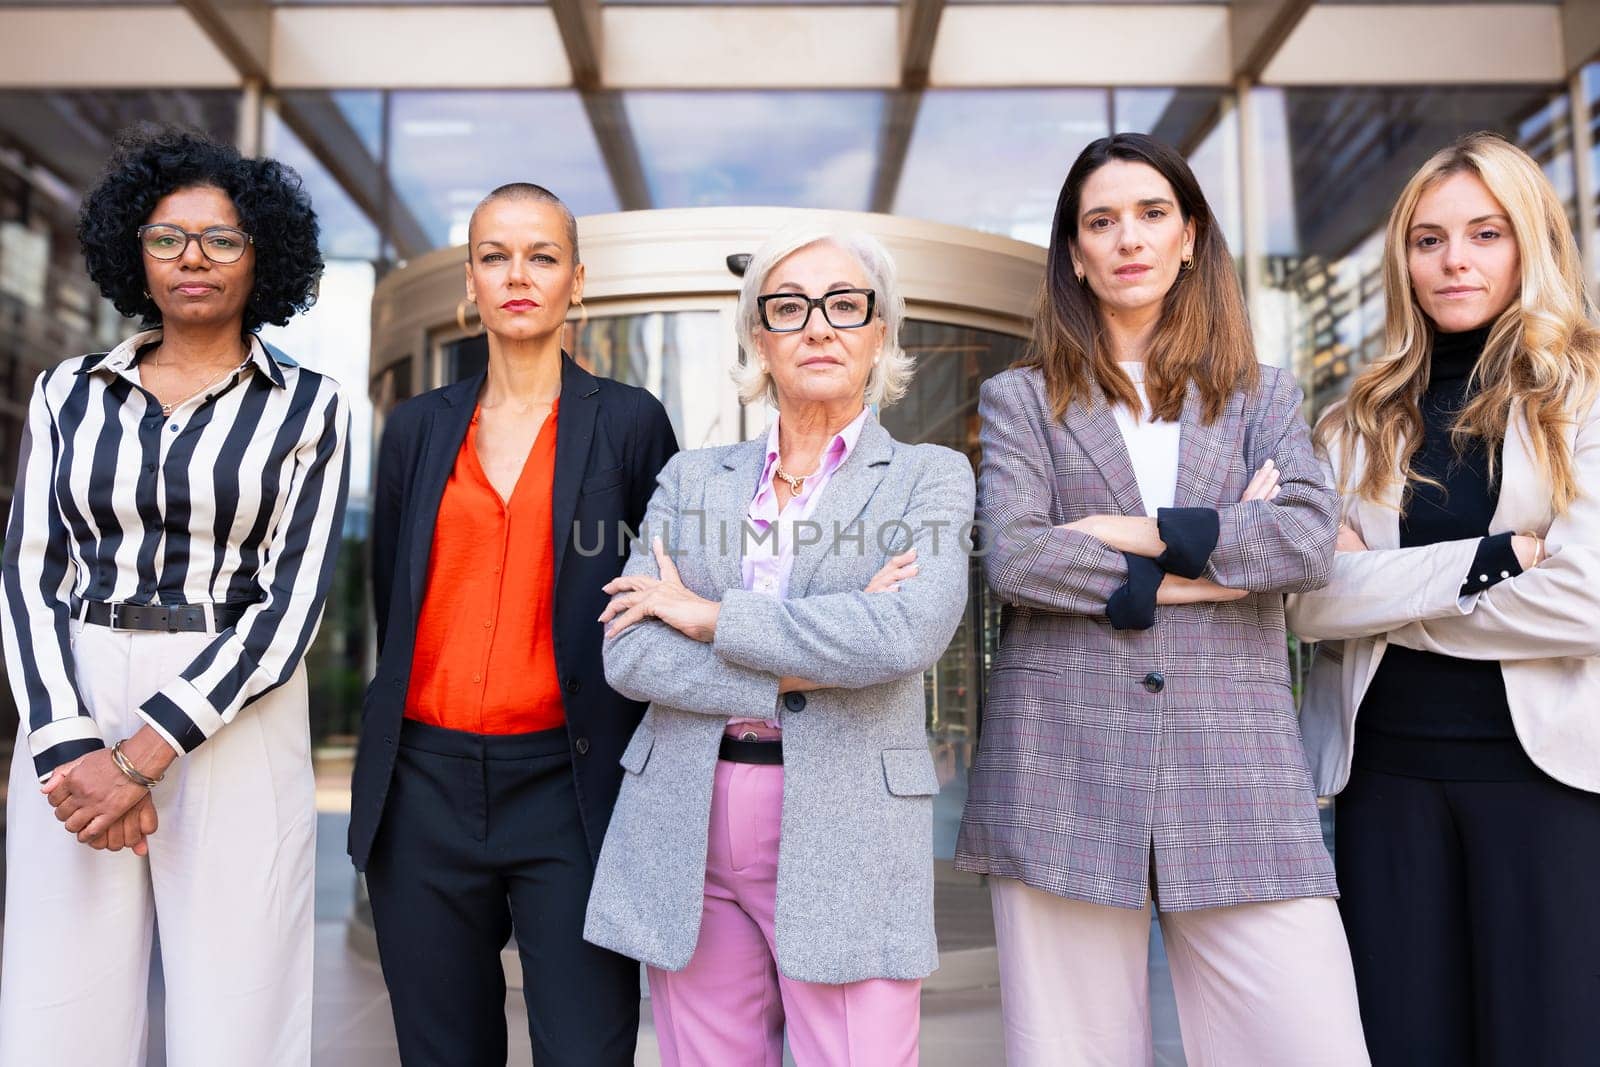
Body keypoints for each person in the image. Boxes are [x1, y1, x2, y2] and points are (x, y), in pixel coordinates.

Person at [954, 132, 1368, 1066]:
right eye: (1102, 221)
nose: (1127, 239)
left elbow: (1303, 543)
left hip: (1240, 768)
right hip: (1061, 761)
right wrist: (1220, 553)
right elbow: (1018, 561)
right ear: (1074, 252)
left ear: (1189, 237)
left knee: (1312, 1043)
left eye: (1151, 215)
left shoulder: (1263, 392)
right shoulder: (1021, 398)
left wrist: (1119, 533)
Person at [582, 224, 973, 1066]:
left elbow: (903, 633)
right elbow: (631, 651)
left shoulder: (930, 477)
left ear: (880, 332)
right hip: (687, 814)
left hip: (849, 821)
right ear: (758, 337)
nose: (818, 326)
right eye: (789, 308)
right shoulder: (693, 477)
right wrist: (813, 653)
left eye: (844, 304)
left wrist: (710, 616)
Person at [0, 124, 348, 1065]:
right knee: (56, 1004)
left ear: (259, 254)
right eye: (166, 237)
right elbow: (29, 570)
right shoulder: (65, 392)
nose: (192, 258)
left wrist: (146, 750)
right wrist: (69, 741)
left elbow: (290, 604)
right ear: (134, 253)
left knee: (240, 1004)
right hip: (75, 696)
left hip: (235, 707)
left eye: (221, 238)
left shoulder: (310, 405)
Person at [1287, 132, 1600, 1065]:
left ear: (1529, 242)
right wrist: (1501, 562)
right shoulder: (1354, 419)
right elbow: (1305, 601)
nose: (1454, 260)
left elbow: (1587, 600)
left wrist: (1380, 593)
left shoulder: (1584, 397)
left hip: (1545, 784)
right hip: (1383, 784)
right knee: (1403, 1042)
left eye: (1484, 233)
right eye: (1428, 239)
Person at [349, 182, 678, 1066]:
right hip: (423, 785)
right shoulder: (417, 430)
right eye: (496, 256)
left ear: (578, 280)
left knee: (585, 1048)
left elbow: (662, 596)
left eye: (542, 256)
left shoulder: (630, 423)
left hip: (570, 783)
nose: (518, 275)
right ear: (471, 281)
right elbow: (396, 596)